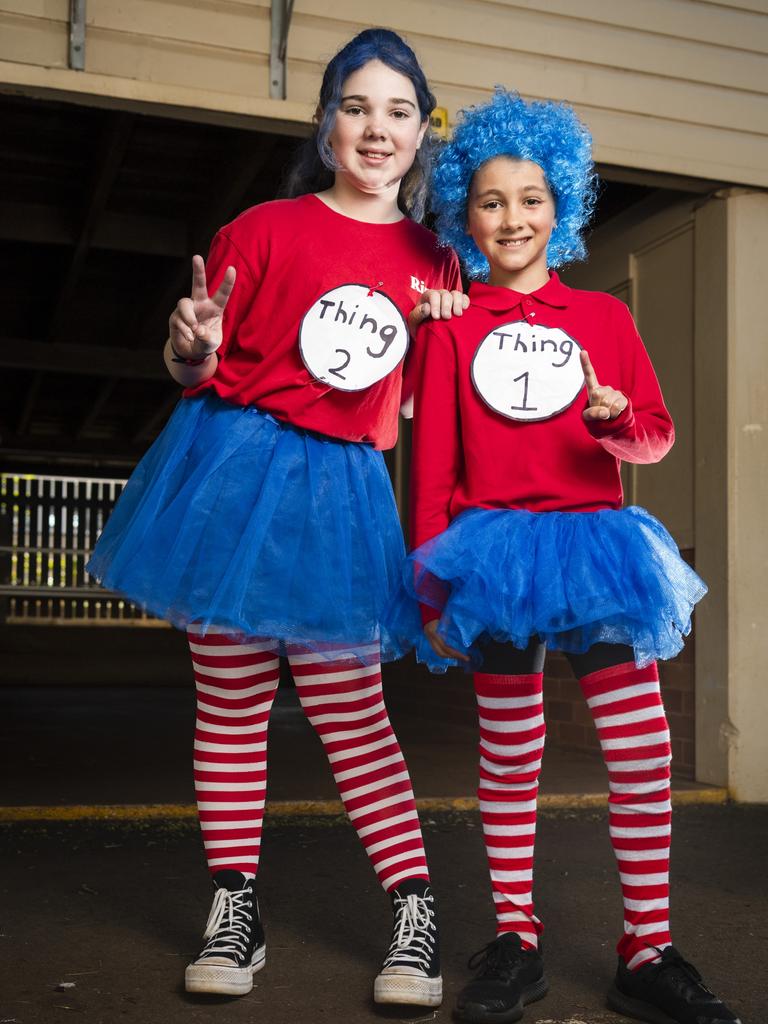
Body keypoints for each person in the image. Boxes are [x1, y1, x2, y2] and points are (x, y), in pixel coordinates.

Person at [87, 28, 468, 1009]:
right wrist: (189, 348)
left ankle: (415, 911)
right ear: (325, 121)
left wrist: (444, 340)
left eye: (398, 110)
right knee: (232, 703)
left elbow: (422, 407)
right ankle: (234, 906)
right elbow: (197, 368)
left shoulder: (439, 262)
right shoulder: (258, 229)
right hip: (235, 471)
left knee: (354, 717)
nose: (376, 128)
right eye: (356, 105)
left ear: (421, 132)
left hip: (342, 493)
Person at [383, 90, 740, 1024]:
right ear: (466, 215)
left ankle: (647, 948)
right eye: (492, 201)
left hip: (594, 548)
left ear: (564, 206)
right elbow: (432, 469)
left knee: (640, 745)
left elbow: (656, 436)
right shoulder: (451, 330)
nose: (513, 217)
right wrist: (431, 582)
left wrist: (618, 422)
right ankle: (515, 938)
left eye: (532, 198)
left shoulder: (605, 322)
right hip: (495, 553)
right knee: (509, 748)